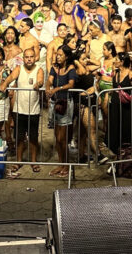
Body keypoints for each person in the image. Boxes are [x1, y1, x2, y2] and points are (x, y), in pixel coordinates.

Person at [0, 48, 44, 173]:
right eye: (27, 57)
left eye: (31, 56)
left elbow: (40, 80)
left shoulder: (39, 69)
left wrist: (38, 84)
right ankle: (18, 161)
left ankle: (33, 161)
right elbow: (11, 77)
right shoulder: (19, 69)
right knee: (19, 138)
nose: (29, 59)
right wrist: (4, 84)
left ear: (35, 58)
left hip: (33, 110)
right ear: (23, 58)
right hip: (19, 109)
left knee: (33, 138)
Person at [46, 46, 77, 177]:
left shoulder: (71, 69)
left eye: (60, 55)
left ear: (67, 56)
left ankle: (66, 165)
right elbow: (49, 80)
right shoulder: (54, 68)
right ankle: (60, 164)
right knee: (57, 138)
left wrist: (57, 89)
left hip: (66, 103)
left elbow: (71, 84)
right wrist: (48, 87)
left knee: (62, 138)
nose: (58, 57)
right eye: (57, 54)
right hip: (56, 104)